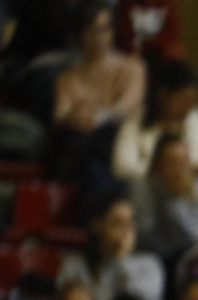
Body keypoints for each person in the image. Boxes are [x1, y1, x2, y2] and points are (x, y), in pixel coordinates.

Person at [59, 193, 165, 300]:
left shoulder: (149, 264)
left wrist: (121, 260)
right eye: (117, 223)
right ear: (97, 225)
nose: (124, 232)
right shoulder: (75, 265)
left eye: (130, 224)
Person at [53, 0, 144, 187]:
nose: (98, 37)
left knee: (96, 149)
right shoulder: (67, 77)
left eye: (104, 29)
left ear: (113, 31)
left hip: (119, 143)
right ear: (79, 35)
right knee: (88, 157)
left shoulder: (132, 68)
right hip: (82, 145)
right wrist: (75, 117)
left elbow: (127, 106)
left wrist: (97, 117)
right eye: (90, 31)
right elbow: (60, 115)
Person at [112, 58, 198, 182]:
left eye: (192, 102)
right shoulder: (135, 123)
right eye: (183, 101)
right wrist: (168, 174)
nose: (187, 109)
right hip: (153, 191)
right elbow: (122, 168)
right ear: (162, 95)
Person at [133, 133, 198, 261]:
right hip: (164, 259)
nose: (179, 169)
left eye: (183, 162)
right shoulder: (145, 189)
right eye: (172, 163)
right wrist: (177, 200)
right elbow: (145, 235)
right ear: (157, 166)